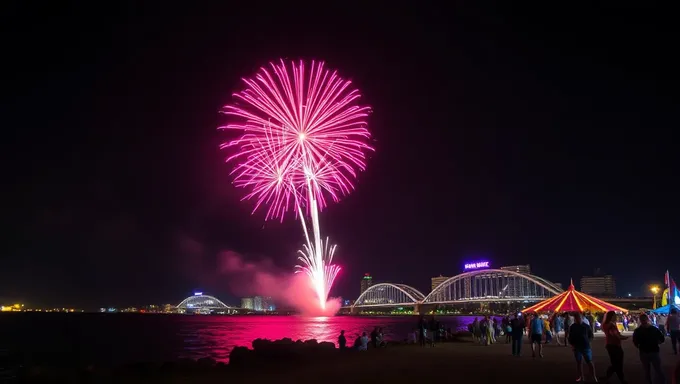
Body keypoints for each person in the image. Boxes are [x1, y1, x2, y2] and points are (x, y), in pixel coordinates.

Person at [633, 313, 666, 384]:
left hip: (644, 352)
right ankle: (661, 382)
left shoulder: (638, 331)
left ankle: (650, 382)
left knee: (647, 370)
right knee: (657, 369)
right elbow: (662, 339)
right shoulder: (654, 329)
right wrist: (657, 343)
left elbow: (635, 342)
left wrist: (639, 346)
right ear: (648, 319)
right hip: (654, 351)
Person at [568, 312, 596, 382]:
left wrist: (588, 341)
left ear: (581, 318)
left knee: (589, 361)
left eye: (579, 318)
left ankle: (593, 376)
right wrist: (572, 345)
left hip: (585, 346)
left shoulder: (586, 326)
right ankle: (581, 376)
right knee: (579, 362)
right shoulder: (573, 327)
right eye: (576, 318)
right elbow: (570, 337)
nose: (577, 319)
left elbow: (591, 336)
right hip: (577, 347)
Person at [602, 310, 628, 383]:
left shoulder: (605, 324)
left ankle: (608, 376)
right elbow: (615, 335)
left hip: (609, 345)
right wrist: (623, 337)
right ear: (612, 317)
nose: (616, 317)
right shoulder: (611, 325)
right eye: (615, 316)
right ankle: (621, 379)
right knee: (618, 363)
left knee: (615, 363)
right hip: (615, 345)